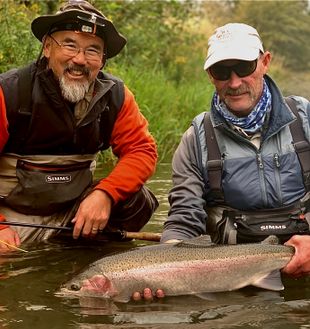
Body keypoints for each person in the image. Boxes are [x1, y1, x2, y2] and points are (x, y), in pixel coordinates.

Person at [134, 23, 310, 301]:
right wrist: (158, 270)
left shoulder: (305, 119)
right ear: (209, 75)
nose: (234, 82)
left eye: (243, 67)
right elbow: (184, 217)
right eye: (221, 71)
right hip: (226, 276)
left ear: (265, 62)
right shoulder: (196, 140)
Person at [0, 0, 158, 251]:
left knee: (138, 200)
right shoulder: (10, 91)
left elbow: (141, 150)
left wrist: (105, 194)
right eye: (70, 45)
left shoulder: (116, 96)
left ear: (102, 60)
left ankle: (85, 258)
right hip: (11, 217)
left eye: (93, 50)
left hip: (75, 215)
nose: (80, 59)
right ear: (48, 48)